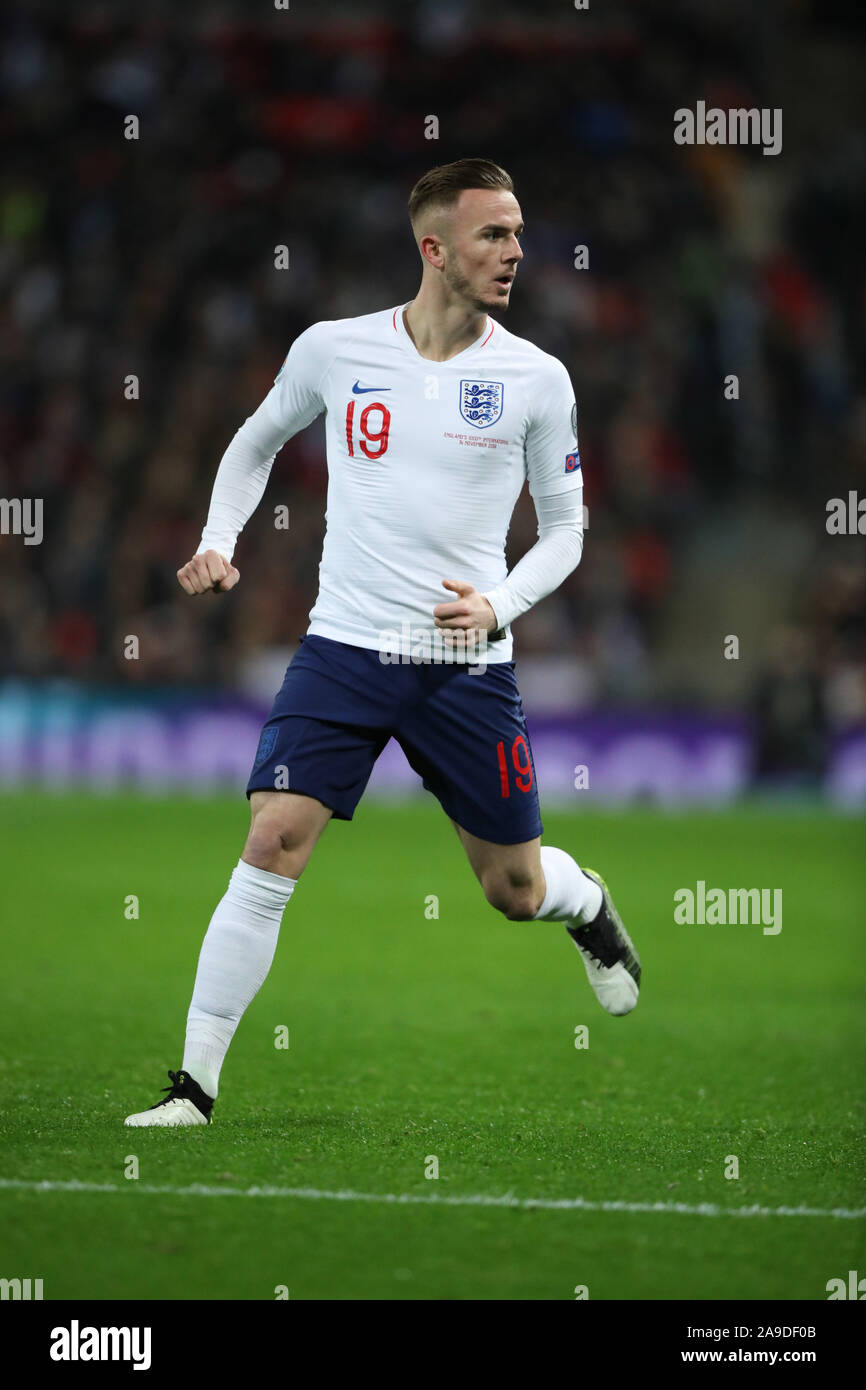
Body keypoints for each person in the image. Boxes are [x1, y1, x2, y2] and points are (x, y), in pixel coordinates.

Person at [125, 157, 641, 1128]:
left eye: (518, 232)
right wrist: (216, 539)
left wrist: (497, 606)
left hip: (462, 664)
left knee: (512, 889)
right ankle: (191, 1088)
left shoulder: (536, 377)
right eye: (492, 234)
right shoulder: (335, 349)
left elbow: (570, 531)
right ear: (432, 246)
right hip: (344, 648)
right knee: (272, 837)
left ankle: (587, 904)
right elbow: (257, 437)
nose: (514, 252)